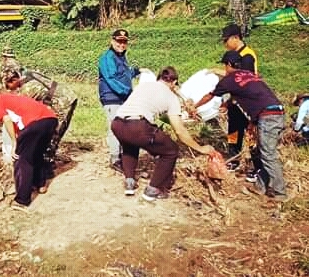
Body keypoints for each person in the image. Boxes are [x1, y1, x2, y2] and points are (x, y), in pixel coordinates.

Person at [193, 51, 288, 202]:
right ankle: (260, 186)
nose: (224, 68)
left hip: (267, 117)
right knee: (262, 151)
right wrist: (253, 122)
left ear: (229, 64)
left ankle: (280, 193)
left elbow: (209, 96)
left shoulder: (229, 79)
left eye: (225, 65)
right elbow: (255, 97)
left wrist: (194, 107)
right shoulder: (249, 75)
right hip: (276, 113)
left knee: (268, 154)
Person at [111, 66, 215, 200]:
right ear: (174, 82)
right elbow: (180, 131)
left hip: (118, 123)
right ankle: (153, 190)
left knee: (130, 146)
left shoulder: (144, 86)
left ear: (158, 78)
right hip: (137, 126)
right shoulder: (171, 97)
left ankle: (129, 182)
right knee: (171, 150)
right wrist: (200, 148)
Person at [0, 93, 58, 208]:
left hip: (35, 122)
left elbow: (7, 120)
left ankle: (22, 200)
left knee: (20, 158)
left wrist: (14, 143)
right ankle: (40, 185)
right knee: (36, 153)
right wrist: (18, 140)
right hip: (50, 120)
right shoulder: (10, 104)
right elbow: (19, 130)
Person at [220, 23, 261, 178]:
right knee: (233, 131)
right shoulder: (235, 55)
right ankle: (234, 159)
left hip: (247, 103)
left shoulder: (247, 56)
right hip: (235, 102)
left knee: (250, 134)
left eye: (226, 40)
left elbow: (245, 82)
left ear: (235, 37)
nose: (225, 44)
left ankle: (257, 166)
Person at [98, 29, 141, 173]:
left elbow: (126, 73)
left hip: (124, 99)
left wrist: (138, 70)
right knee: (115, 128)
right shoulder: (107, 57)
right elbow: (111, 78)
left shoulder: (121, 57)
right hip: (112, 98)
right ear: (112, 41)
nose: (121, 44)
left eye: (124, 42)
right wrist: (128, 92)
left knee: (125, 127)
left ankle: (124, 156)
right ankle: (115, 158)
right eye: (119, 41)